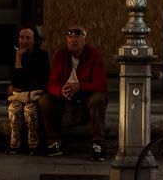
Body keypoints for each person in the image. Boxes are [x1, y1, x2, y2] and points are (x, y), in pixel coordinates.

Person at [41, 23, 109, 161]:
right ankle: (54, 141)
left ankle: (98, 143)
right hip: (66, 102)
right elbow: (52, 83)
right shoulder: (61, 56)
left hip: (85, 101)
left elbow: (100, 85)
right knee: (45, 100)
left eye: (77, 37)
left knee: (98, 99)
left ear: (84, 39)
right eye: (70, 37)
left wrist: (80, 87)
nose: (73, 40)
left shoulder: (94, 56)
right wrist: (61, 91)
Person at [7, 22, 50, 155]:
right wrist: (19, 59)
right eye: (21, 37)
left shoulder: (42, 55)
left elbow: (42, 79)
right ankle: (16, 145)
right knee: (15, 108)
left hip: (34, 95)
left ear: (34, 40)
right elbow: (16, 81)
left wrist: (23, 88)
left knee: (29, 110)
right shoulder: (15, 56)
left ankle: (34, 145)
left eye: (28, 38)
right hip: (19, 97)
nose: (24, 41)